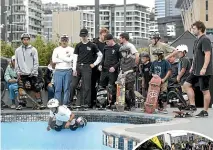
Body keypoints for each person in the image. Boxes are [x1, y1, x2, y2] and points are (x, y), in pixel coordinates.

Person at [183, 21, 213, 117]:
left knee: (205, 91)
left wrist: (204, 68)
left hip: (204, 71)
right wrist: (192, 66)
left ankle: (205, 111)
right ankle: (192, 105)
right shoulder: (197, 41)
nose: (193, 30)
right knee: (186, 85)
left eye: (194, 28)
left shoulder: (205, 39)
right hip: (195, 70)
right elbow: (196, 56)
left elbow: (207, 54)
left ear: (200, 29)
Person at [71, 28, 103, 108]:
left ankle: (86, 103)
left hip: (87, 67)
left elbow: (100, 55)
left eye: (84, 36)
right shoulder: (78, 45)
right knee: (73, 85)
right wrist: (74, 68)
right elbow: (75, 57)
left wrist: (94, 64)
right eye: (82, 36)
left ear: (87, 35)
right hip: (78, 66)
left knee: (87, 86)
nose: (83, 37)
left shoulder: (92, 45)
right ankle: (70, 102)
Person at [15, 33, 45, 110]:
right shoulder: (18, 50)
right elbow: (17, 62)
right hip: (22, 73)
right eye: (24, 39)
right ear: (22, 40)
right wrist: (18, 72)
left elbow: (36, 62)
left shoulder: (33, 49)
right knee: (21, 88)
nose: (26, 41)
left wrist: (33, 71)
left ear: (29, 40)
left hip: (32, 73)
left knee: (36, 88)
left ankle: (39, 103)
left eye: (27, 39)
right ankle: (21, 103)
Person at [98, 34, 120, 108]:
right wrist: (100, 65)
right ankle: (102, 103)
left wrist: (114, 67)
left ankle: (113, 103)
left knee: (112, 87)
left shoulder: (118, 47)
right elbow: (103, 58)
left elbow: (121, 60)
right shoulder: (105, 47)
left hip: (112, 71)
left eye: (107, 41)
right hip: (104, 70)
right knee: (102, 86)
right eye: (105, 41)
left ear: (111, 40)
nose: (106, 43)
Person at [52, 34, 74, 106]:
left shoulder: (71, 49)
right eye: (63, 40)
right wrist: (65, 59)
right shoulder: (56, 49)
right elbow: (54, 60)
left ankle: (65, 104)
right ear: (60, 41)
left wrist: (60, 58)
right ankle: (57, 104)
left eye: (65, 40)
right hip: (58, 71)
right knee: (58, 89)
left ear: (68, 41)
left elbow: (71, 59)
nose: (64, 42)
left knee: (66, 89)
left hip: (68, 70)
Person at [91, 28, 109, 108]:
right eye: (103, 35)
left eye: (106, 36)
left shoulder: (106, 44)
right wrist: (96, 65)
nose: (104, 37)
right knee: (92, 85)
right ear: (100, 35)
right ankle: (92, 101)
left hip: (103, 68)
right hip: (94, 67)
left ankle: (101, 102)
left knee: (102, 86)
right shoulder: (95, 43)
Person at [119, 45, 137, 110]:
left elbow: (135, 69)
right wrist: (120, 74)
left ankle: (132, 104)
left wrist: (128, 71)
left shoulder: (132, 59)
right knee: (123, 91)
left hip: (130, 78)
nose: (122, 54)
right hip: (123, 78)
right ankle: (127, 104)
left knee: (130, 91)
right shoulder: (122, 59)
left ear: (127, 52)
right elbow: (121, 68)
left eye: (123, 52)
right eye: (121, 53)